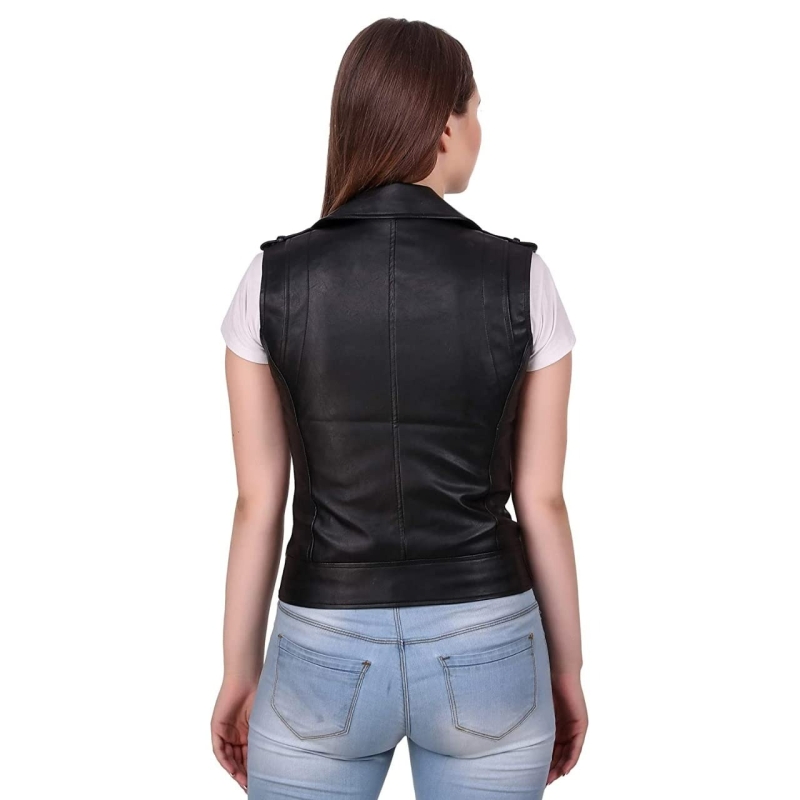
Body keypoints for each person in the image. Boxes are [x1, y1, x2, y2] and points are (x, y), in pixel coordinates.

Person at [211, 16, 587, 800]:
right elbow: (542, 500)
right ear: (445, 125)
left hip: (321, 644)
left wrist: (238, 672)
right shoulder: (523, 278)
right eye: (476, 109)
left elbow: (258, 503)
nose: (479, 130)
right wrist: (567, 668)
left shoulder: (270, 280)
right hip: (490, 641)